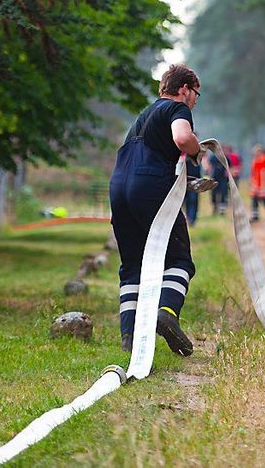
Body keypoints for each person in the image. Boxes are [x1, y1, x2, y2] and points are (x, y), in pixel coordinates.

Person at [108, 64, 202, 356]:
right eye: (196, 94)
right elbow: (182, 138)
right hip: (149, 186)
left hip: (119, 187)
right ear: (184, 89)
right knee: (179, 260)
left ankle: (129, 335)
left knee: (132, 263)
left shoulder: (143, 116)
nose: (195, 100)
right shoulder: (177, 110)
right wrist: (198, 152)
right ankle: (167, 313)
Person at [184, 159, 200, 225]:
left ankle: (191, 219)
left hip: (193, 180)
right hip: (184, 179)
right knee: (188, 200)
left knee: (192, 200)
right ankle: (189, 218)